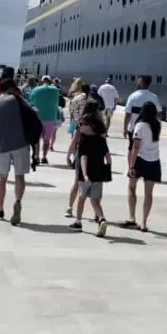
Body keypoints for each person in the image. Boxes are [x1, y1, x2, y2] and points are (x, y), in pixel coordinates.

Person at [0, 72, 41, 225]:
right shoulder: (16, 99)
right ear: (12, 89)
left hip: (2, 144)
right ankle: (18, 201)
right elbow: (34, 113)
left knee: (2, 179)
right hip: (20, 143)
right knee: (19, 177)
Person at [70, 101, 110, 236]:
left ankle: (78, 221)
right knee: (95, 199)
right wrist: (108, 167)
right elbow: (107, 153)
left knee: (81, 197)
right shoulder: (101, 130)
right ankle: (101, 219)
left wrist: (69, 154)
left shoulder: (83, 136)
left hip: (85, 170)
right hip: (99, 168)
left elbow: (82, 155)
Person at [125, 101, 161, 231]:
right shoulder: (157, 125)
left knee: (131, 188)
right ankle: (144, 223)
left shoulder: (140, 126)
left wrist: (131, 166)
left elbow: (135, 147)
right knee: (148, 194)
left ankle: (132, 217)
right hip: (154, 161)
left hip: (140, 160)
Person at [123, 76, 161, 159]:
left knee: (132, 148)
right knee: (146, 149)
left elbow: (128, 114)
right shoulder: (153, 97)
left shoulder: (133, 96)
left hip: (134, 128)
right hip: (150, 128)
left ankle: (131, 168)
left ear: (140, 82)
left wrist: (125, 128)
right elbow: (159, 114)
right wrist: (158, 128)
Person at [29, 75, 61, 164]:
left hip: (37, 117)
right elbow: (58, 102)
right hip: (50, 118)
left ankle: (36, 157)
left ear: (42, 81)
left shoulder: (35, 90)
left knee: (37, 140)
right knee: (47, 139)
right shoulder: (55, 90)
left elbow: (31, 102)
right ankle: (44, 157)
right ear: (50, 81)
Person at [67, 79, 89, 168]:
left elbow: (71, 111)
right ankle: (76, 160)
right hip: (83, 123)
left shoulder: (75, 98)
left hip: (74, 122)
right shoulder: (87, 99)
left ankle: (74, 158)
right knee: (81, 143)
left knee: (74, 141)